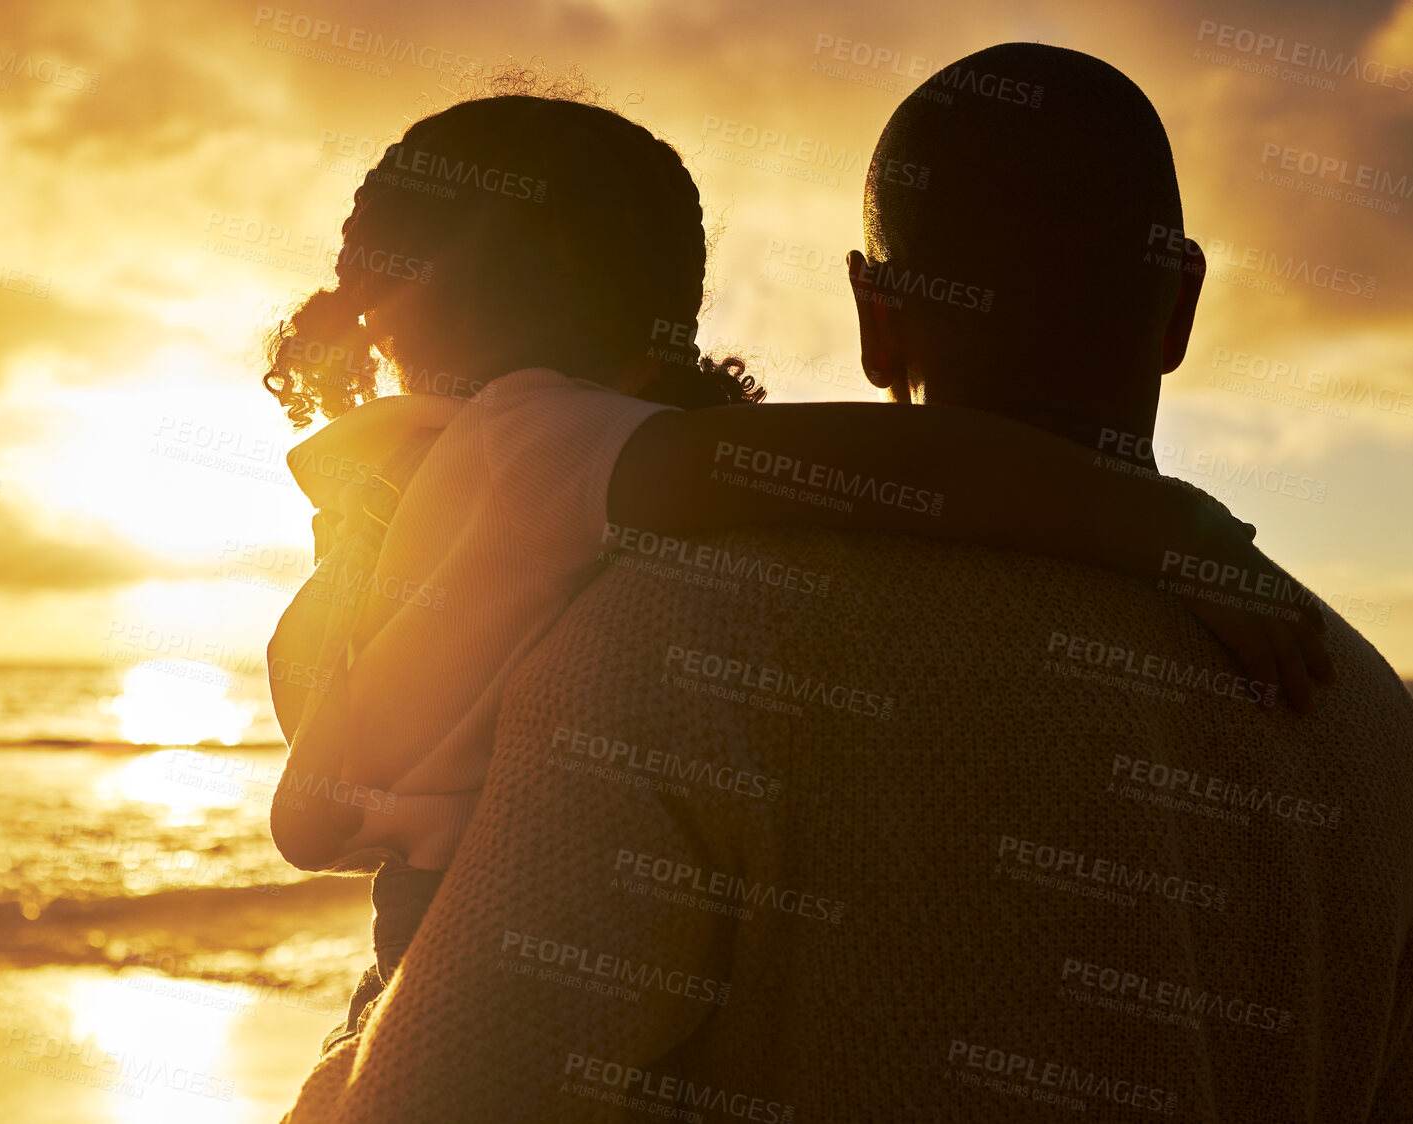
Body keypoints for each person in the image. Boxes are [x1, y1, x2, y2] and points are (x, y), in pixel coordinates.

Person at [260, 78, 1331, 1051]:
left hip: (449, 977)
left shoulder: (458, 467)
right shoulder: (500, 466)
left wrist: (1161, 525)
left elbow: (312, 813)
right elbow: (892, 464)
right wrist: (1156, 519)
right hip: (477, 971)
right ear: (658, 331)